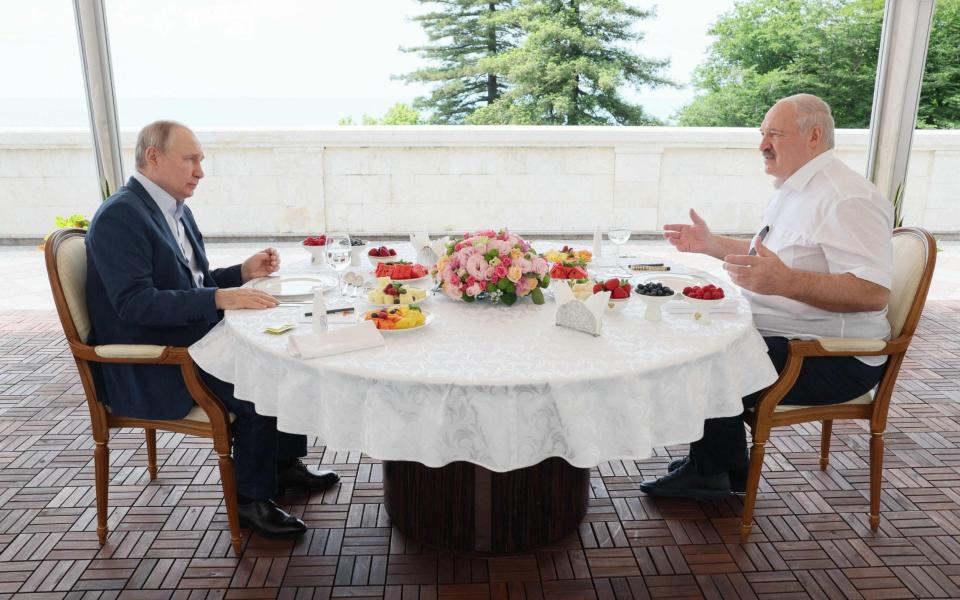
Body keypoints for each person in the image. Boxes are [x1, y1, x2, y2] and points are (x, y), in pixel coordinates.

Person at [85, 120, 339, 538]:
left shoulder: (171, 209)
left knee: (287, 356)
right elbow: (134, 303)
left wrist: (241, 273)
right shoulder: (121, 217)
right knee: (262, 381)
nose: (200, 170)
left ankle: (282, 465)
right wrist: (220, 299)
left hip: (190, 339)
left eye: (199, 159)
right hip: (156, 362)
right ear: (154, 157)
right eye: (190, 159)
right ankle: (249, 501)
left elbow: (191, 286)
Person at [641, 94, 892, 499]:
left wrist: (786, 282)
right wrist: (709, 243)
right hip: (788, 339)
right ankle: (725, 466)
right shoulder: (795, 189)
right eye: (762, 133)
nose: (762, 144)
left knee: (706, 358)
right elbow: (770, 260)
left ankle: (713, 472)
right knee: (698, 333)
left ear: (813, 136)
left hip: (833, 357)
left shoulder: (848, 199)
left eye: (774, 133)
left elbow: (873, 292)